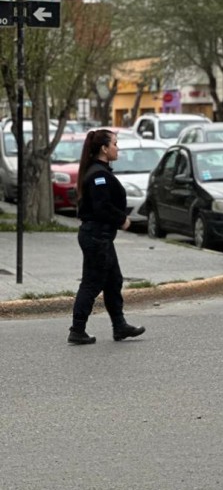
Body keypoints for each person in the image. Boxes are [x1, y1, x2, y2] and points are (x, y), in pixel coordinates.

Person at [68, 129, 145, 345]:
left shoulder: (99, 170)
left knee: (113, 281)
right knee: (92, 283)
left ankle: (119, 326)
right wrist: (123, 220)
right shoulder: (99, 175)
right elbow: (102, 207)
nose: (117, 148)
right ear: (104, 148)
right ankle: (77, 329)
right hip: (96, 236)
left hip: (100, 236)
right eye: (115, 144)